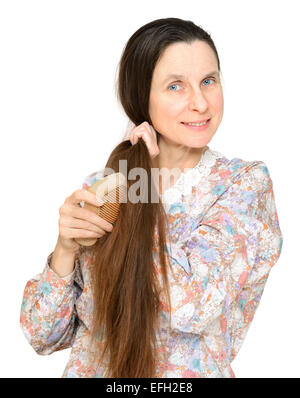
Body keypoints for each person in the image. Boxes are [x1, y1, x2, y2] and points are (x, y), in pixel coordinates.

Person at [19, 17, 283, 378]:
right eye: (176, 86)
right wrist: (65, 249)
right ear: (141, 97)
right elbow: (43, 336)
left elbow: (192, 304)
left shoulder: (242, 184)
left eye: (209, 81)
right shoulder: (107, 186)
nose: (201, 103)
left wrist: (144, 186)